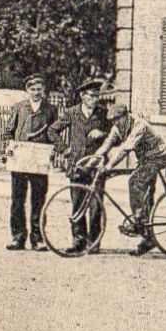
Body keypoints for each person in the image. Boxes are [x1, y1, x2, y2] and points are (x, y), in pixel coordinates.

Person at [86, 100, 166, 256]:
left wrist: (109, 166)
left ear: (126, 116)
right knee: (146, 197)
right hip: (145, 159)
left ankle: (138, 220)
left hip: (158, 156)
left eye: (118, 120)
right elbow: (107, 144)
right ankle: (148, 238)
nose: (116, 124)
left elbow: (124, 149)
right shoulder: (118, 128)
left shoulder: (140, 125)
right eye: (113, 121)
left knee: (134, 180)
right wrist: (92, 160)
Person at [50, 80, 111, 254]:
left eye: (97, 96)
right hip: (76, 164)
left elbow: (118, 136)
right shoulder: (71, 113)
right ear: (83, 96)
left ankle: (93, 242)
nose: (95, 100)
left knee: (95, 205)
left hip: (96, 165)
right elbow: (52, 131)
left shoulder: (104, 114)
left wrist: (103, 133)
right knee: (77, 204)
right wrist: (64, 149)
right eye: (91, 96)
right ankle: (78, 241)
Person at [5, 74, 57, 251]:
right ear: (27, 90)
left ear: (44, 91)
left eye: (39, 90)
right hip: (20, 159)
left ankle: (37, 238)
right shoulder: (19, 108)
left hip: (39, 159)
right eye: (33, 89)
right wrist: (9, 148)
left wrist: (53, 151)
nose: (36, 93)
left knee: (39, 200)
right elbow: (9, 132)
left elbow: (54, 133)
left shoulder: (51, 110)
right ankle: (17, 237)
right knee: (17, 200)